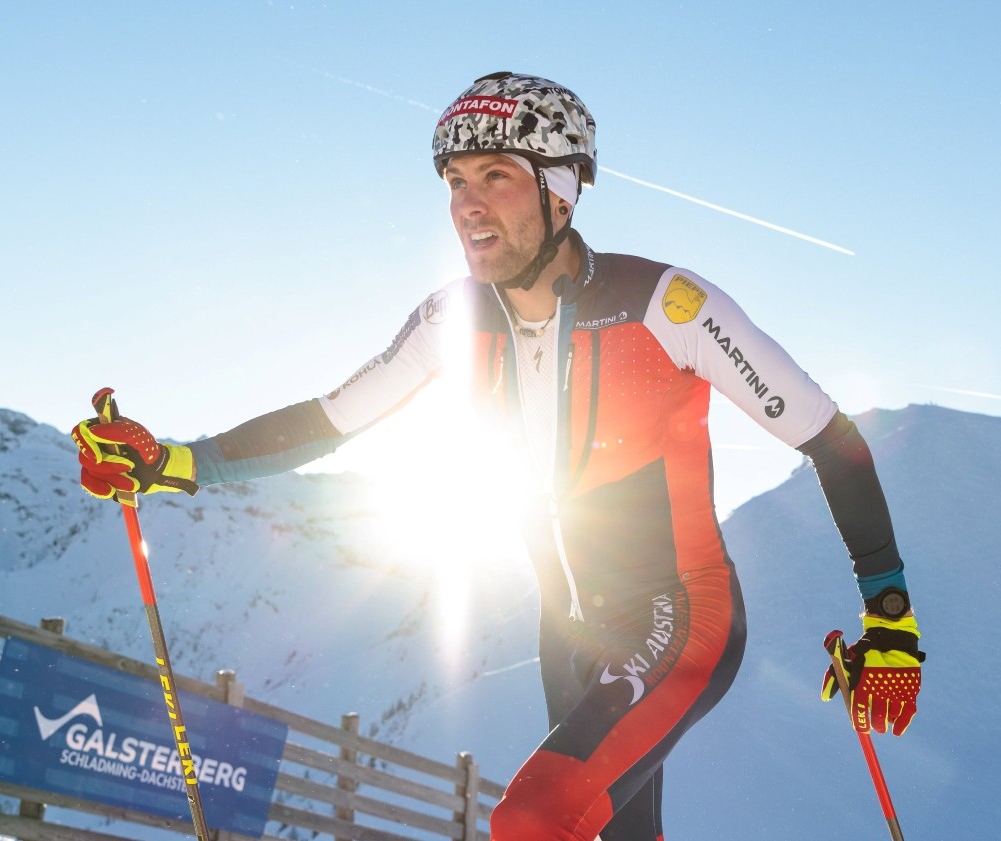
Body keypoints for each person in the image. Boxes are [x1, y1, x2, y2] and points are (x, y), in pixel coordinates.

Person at [72, 71, 923, 841]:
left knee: (534, 819)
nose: (468, 205)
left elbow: (829, 437)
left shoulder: (667, 306)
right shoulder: (453, 318)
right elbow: (330, 419)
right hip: (569, 628)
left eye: (495, 176)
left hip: (679, 617)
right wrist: (173, 462)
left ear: (561, 190)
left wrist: (889, 618)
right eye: (454, 182)